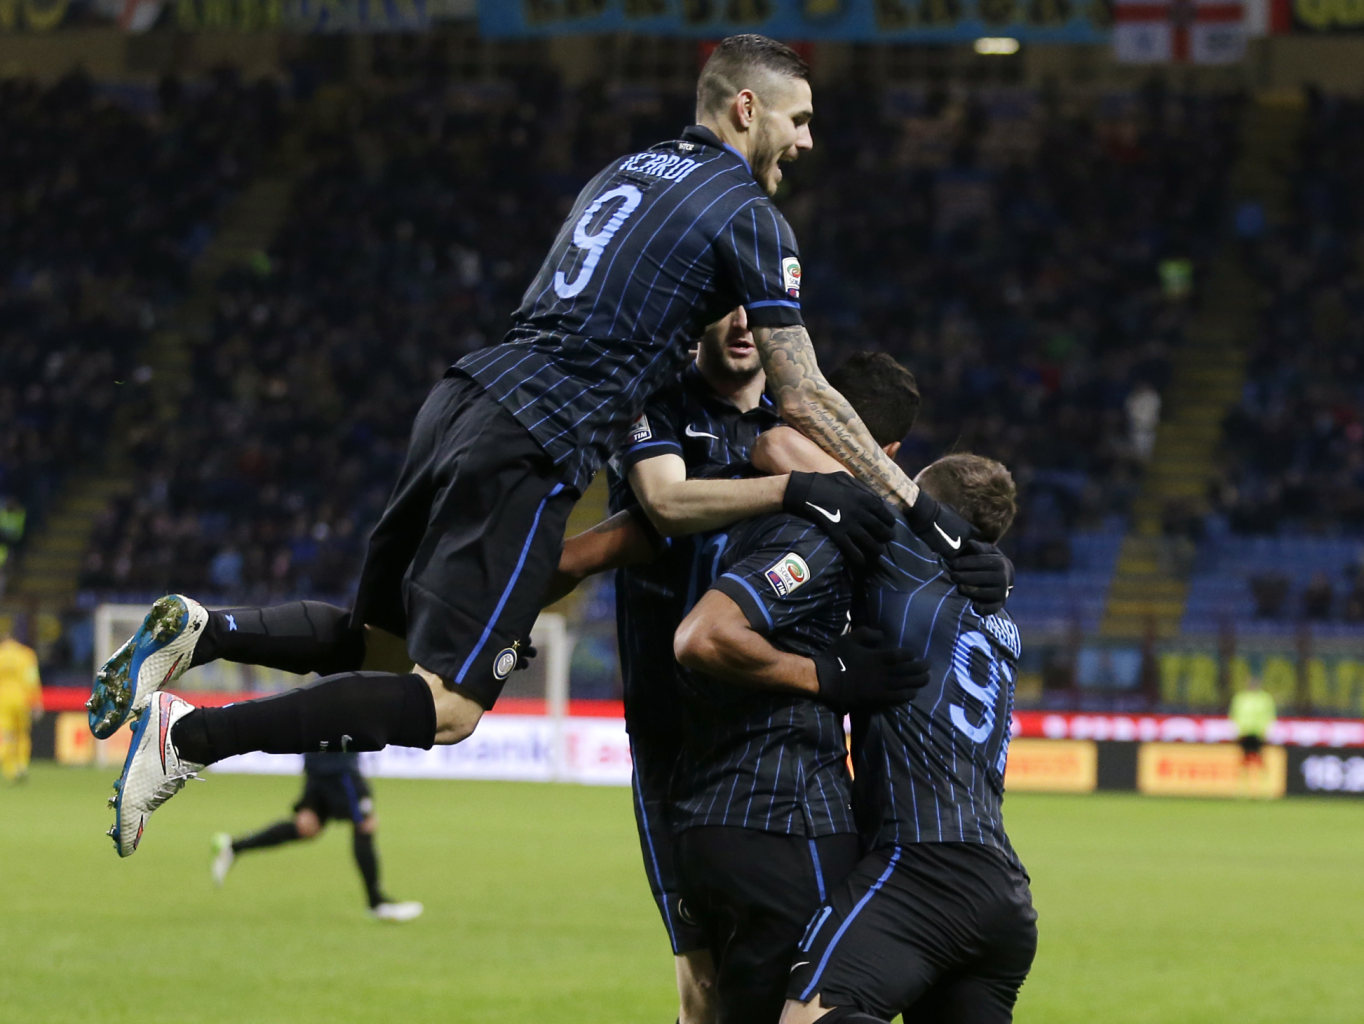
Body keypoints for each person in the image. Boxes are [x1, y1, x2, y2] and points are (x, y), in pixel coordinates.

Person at [98, 33, 974, 858]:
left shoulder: (625, 173)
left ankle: (204, 632)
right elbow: (806, 392)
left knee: (375, 645)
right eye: (800, 120)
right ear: (747, 109)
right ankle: (187, 736)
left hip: (461, 399)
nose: (809, 141)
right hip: (533, 439)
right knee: (447, 708)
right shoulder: (746, 211)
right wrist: (927, 515)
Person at [689, 435, 1037, 1023]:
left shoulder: (910, 558)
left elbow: (777, 445)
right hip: (1003, 892)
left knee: (806, 1018)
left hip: (923, 863)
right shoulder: (1003, 622)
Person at [665, 358, 932, 1024]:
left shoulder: (731, 501)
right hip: (784, 820)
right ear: (889, 455)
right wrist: (824, 675)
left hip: (706, 818)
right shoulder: (813, 534)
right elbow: (703, 636)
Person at [209, 751, 423, 922]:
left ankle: (234, 847)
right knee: (364, 824)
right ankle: (377, 903)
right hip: (338, 768)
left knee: (306, 827)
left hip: (317, 765)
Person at [0, 621, 42, 783]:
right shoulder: (26, 654)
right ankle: (21, 765)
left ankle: (9, 769)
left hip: (2, 700)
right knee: (22, 734)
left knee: (5, 734)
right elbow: (31, 679)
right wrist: (36, 701)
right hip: (22, 699)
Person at [1229, 674, 1276, 786]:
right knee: (1243, 762)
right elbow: (1234, 715)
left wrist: (1266, 731)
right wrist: (1237, 730)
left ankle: (1265, 787)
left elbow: (1269, 716)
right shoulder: (1240, 698)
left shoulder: (1265, 698)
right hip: (1244, 733)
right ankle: (1242, 788)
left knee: (1261, 761)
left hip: (1259, 733)